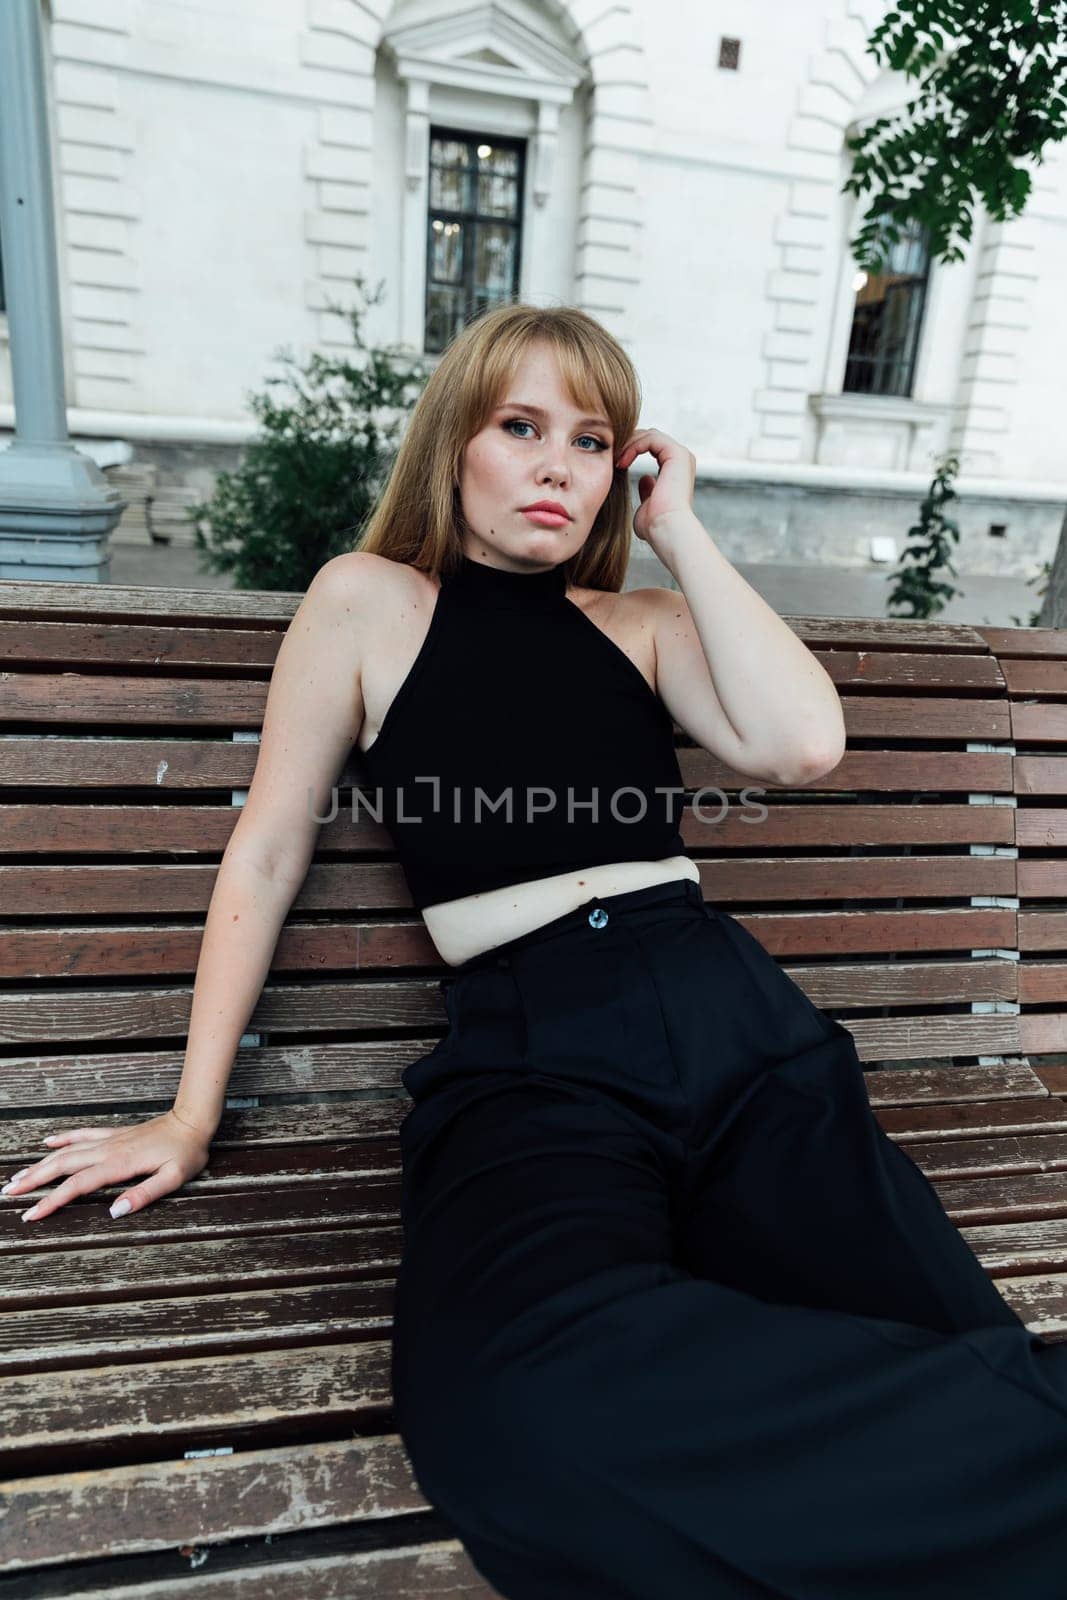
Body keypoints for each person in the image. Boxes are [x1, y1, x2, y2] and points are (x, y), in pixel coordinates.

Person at [4, 302, 1067, 1596]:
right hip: (533, 1056)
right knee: (506, 1399)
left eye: (592, 439)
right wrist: (187, 1114)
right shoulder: (369, 603)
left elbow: (801, 746)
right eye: (521, 426)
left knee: (954, 1342)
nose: (560, 463)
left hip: (731, 1024)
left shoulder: (640, 624)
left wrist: (677, 526)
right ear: (457, 440)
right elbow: (270, 848)